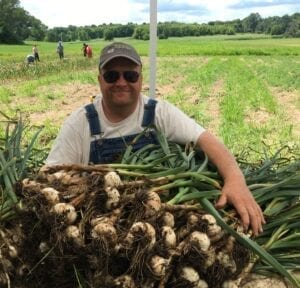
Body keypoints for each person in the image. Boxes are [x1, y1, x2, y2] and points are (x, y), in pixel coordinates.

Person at [46, 42, 265, 236]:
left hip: (153, 226)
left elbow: (206, 140)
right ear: (100, 80)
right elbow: (50, 178)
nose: (121, 82)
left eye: (130, 75)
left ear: (141, 78)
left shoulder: (159, 113)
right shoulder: (80, 123)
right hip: (100, 229)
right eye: (112, 75)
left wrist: (235, 180)